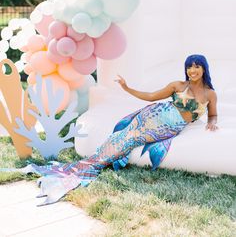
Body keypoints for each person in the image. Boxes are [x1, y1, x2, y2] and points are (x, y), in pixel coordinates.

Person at [2, 54, 218, 206]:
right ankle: (87, 166)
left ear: (204, 68)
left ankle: (84, 167)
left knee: (129, 141)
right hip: (153, 114)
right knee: (124, 137)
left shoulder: (210, 94)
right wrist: (127, 88)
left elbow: (213, 113)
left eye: (197, 66)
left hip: (170, 127)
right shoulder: (178, 85)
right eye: (190, 66)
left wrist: (212, 121)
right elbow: (152, 97)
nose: (192, 70)